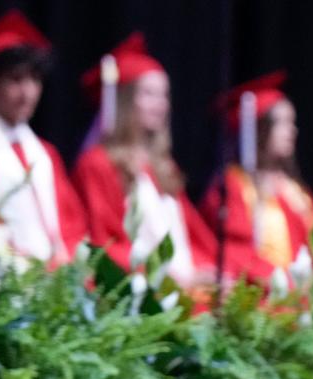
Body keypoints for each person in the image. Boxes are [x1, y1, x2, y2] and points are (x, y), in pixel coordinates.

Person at [71, 32, 216, 288]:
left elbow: (194, 239)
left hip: (183, 292)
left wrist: (208, 271)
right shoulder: (98, 164)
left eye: (164, 95)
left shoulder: (162, 167)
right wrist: (172, 279)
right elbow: (105, 245)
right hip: (137, 295)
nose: (160, 105)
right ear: (124, 101)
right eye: (148, 94)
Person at [0, 10, 86, 263]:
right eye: (15, 80)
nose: (27, 93)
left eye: (35, 80)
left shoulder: (45, 153)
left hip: (56, 285)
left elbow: (72, 227)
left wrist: (68, 267)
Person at [200, 71, 313, 286]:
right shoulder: (233, 186)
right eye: (282, 123)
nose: (292, 131)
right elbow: (236, 254)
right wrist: (287, 284)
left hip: (303, 295)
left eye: (292, 122)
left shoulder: (295, 191)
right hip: (264, 296)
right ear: (258, 129)